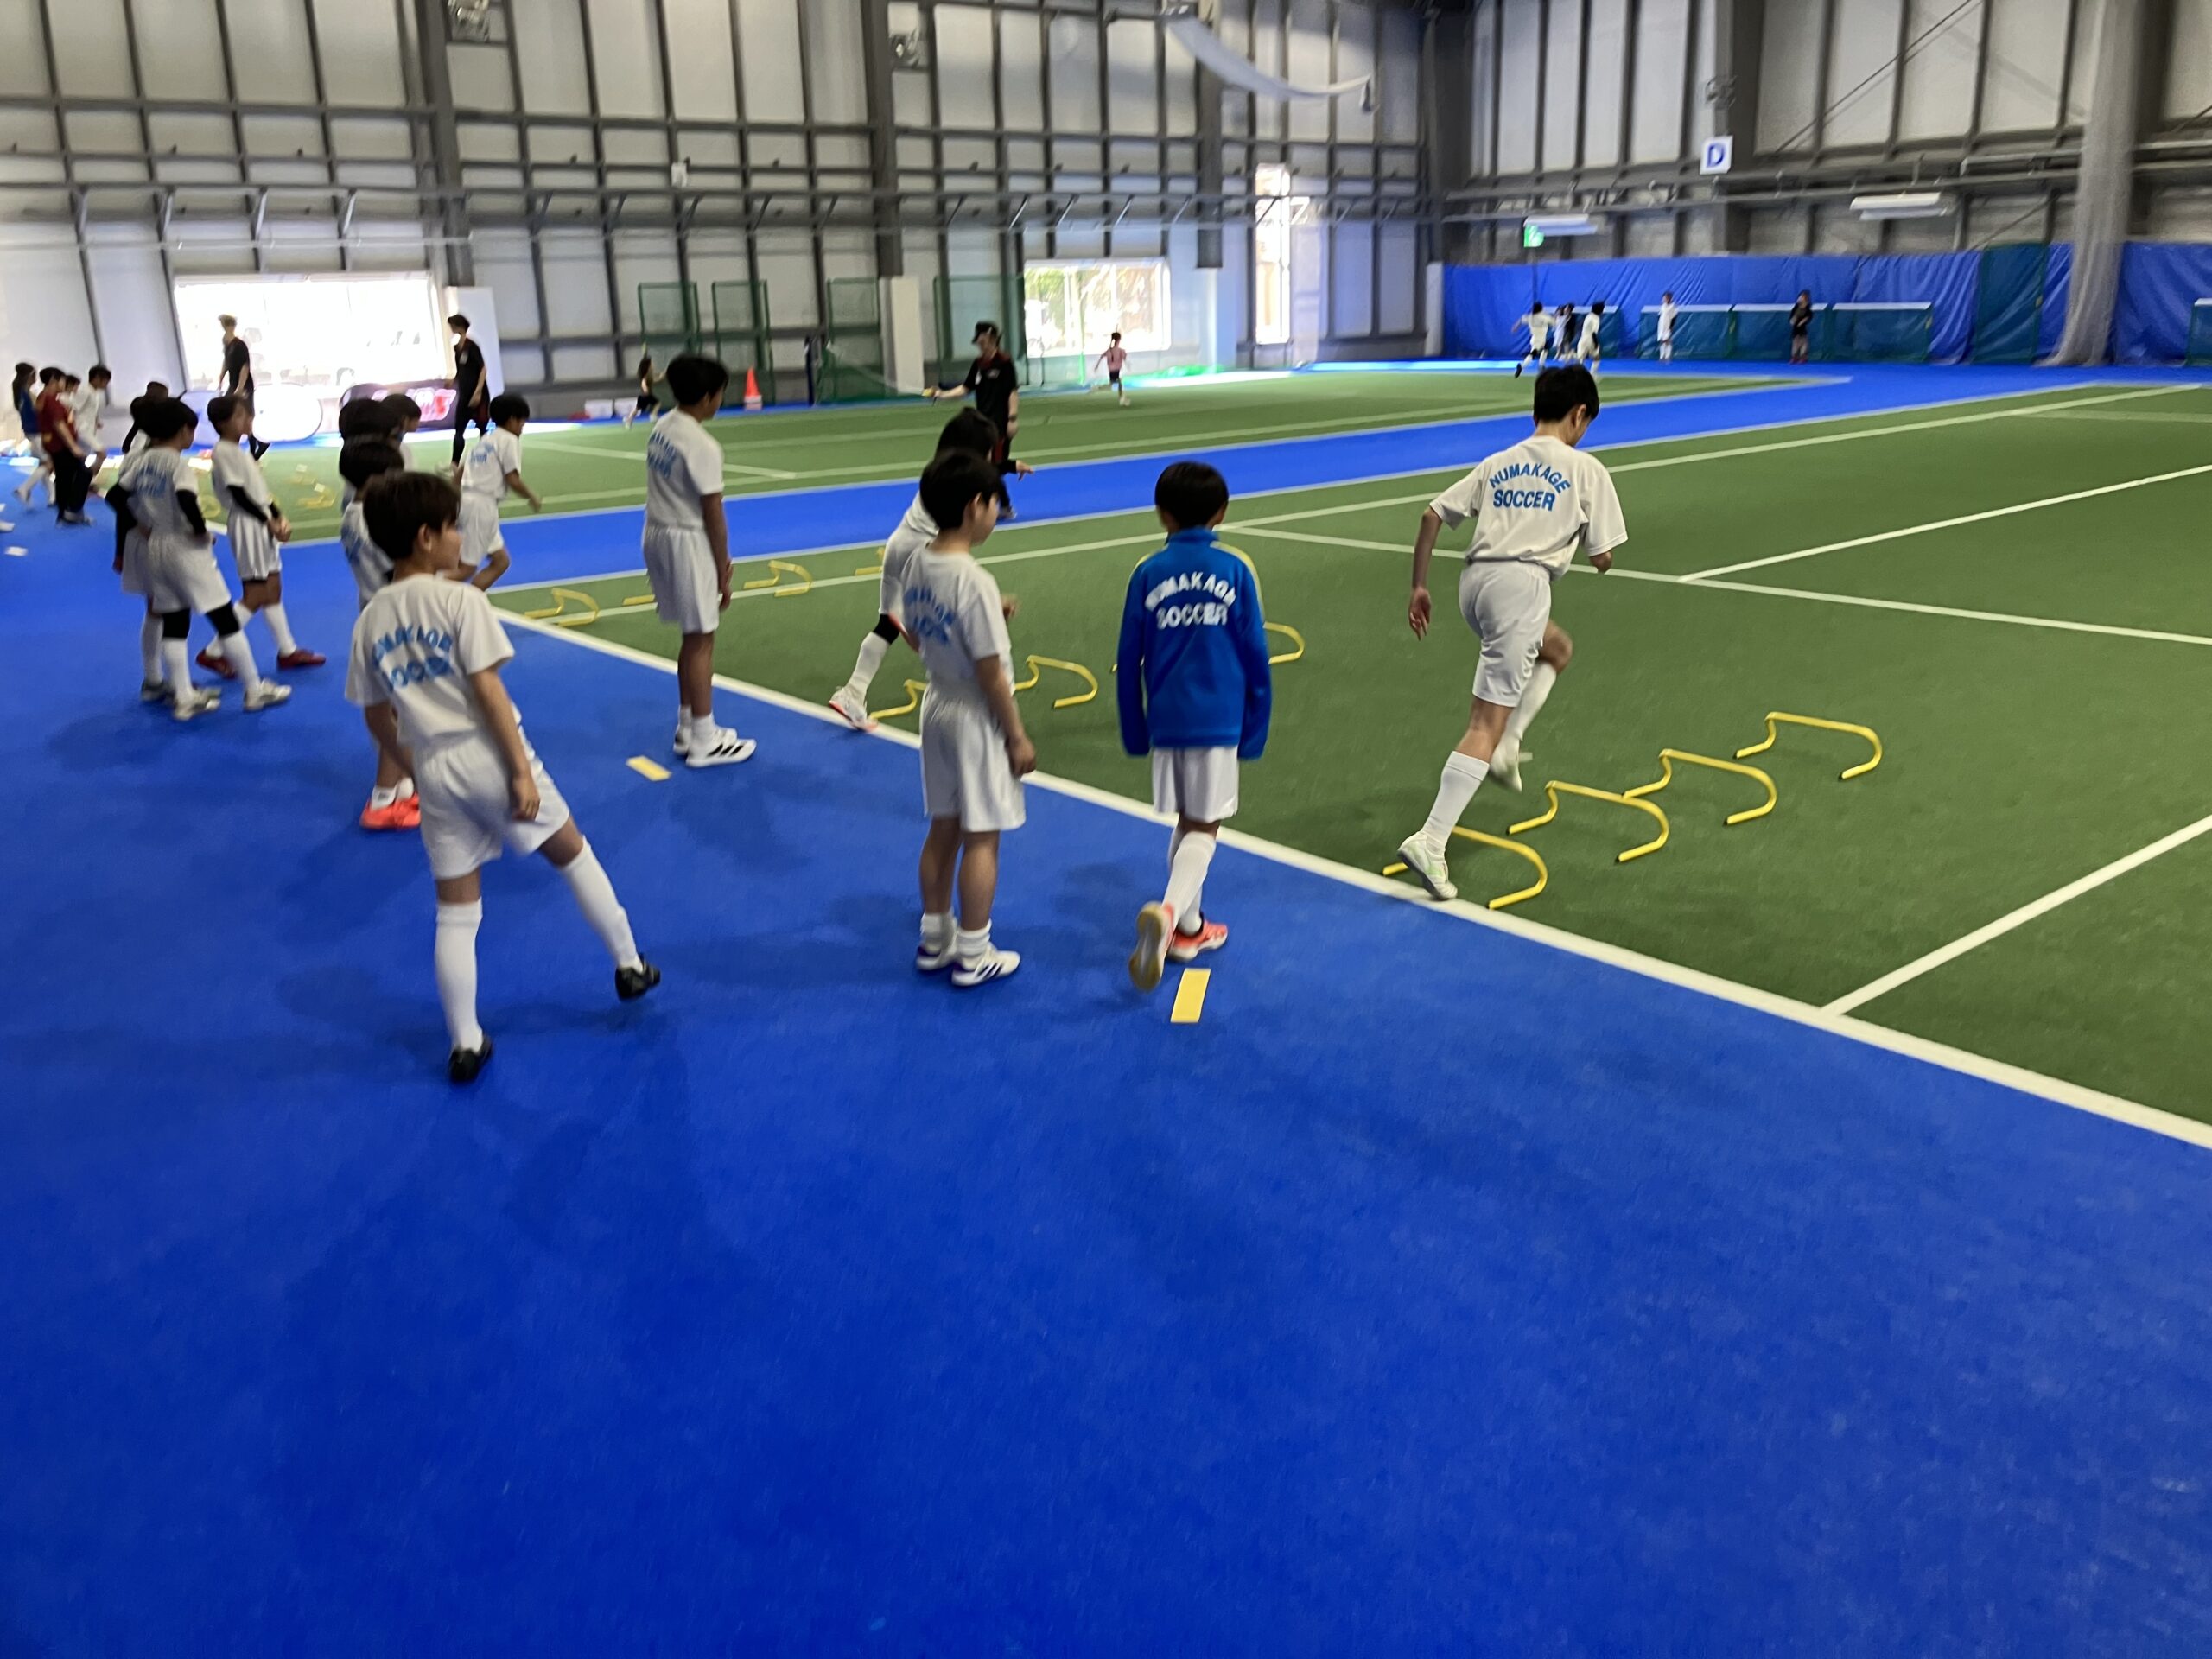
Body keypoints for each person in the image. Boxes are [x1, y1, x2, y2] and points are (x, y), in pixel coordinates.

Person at [347, 470, 660, 1084]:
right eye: (452, 527)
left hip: (434, 765)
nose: (461, 536)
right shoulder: (462, 601)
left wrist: (413, 767)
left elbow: (376, 716)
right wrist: (520, 772)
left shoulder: (370, 619)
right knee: (572, 853)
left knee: (456, 912)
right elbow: (488, 692)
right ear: (425, 537)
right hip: (489, 753)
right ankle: (629, 964)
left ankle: (465, 1041)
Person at [1394, 365, 1625, 901]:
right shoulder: (1587, 469)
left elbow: (1431, 516)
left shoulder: (1498, 462)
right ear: (1580, 415)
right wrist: (1588, 541)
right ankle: (1431, 839)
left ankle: (1508, 746)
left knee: (1557, 648)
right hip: (1521, 586)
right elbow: (1604, 558)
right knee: (1483, 723)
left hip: (1475, 585)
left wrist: (1419, 587)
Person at [1116, 461, 1272, 992]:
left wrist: (1134, 727)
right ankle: (1168, 914)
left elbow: (1128, 658)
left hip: (1166, 719)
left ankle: (1188, 929)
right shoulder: (1235, 570)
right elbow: (1256, 654)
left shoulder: (1147, 572)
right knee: (1205, 828)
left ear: (1162, 514)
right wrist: (1256, 726)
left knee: (1187, 821)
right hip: (1218, 720)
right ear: (1221, 513)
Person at [903, 452, 1033, 988]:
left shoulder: (918, 562)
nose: (997, 514)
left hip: (937, 705)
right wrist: (1016, 736)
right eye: (996, 504)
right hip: (976, 715)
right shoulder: (974, 579)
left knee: (944, 827)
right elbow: (990, 672)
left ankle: (935, 939)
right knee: (983, 836)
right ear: (976, 505)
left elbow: (917, 634)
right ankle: (975, 951)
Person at [827, 408, 1034, 733]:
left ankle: (854, 691)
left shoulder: (940, 472)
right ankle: (964, 681)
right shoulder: (961, 484)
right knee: (939, 621)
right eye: (987, 451)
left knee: (887, 623)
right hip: (920, 552)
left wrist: (1008, 465)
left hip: (898, 544)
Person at [116, 398, 291, 722]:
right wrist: (199, 531)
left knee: (174, 621)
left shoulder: (141, 461)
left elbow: (116, 496)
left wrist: (140, 525)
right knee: (224, 618)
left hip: (155, 546)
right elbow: (185, 499)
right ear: (183, 431)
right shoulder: (177, 465)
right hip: (184, 547)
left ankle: (184, 696)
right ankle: (254, 689)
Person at [641, 354, 752, 767]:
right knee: (702, 637)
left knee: (692, 636)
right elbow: (713, 512)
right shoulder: (703, 446)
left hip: (656, 532)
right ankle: (704, 739)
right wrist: (723, 566)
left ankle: (689, 726)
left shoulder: (662, 427)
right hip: (686, 541)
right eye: (721, 393)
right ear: (707, 397)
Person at [340, 435, 422, 830]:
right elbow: (397, 570)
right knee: (399, 708)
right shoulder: (372, 520)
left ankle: (401, 786)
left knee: (394, 706)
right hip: (392, 615)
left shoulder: (351, 514)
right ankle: (384, 797)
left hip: (372, 609)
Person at [207, 392, 321, 671]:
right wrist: (266, 519)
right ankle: (214, 651)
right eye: (240, 415)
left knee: (272, 588)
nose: (248, 419)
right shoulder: (224, 451)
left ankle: (287, 650)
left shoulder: (239, 451)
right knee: (256, 593)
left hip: (259, 521)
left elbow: (258, 492)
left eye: (248, 413)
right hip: (248, 524)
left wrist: (278, 515)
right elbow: (238, 494)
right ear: (222, 423)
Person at [928, 321, 1021, 511]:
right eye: (978, 339)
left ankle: (1003, 505)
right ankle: (999, 502)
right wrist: (941, 394)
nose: (979, 342)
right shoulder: (978, 364)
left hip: (999, 424)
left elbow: (1012, 392)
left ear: (992, 338)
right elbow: (965, 388)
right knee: (984, 465)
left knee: (993, 466)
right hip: (982, 424)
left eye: (983, 338)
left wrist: (1012, 419)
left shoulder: (1004, 362)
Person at [457, 392, 538, 589]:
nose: (522, 428)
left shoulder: (486, 439)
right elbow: (512, 478)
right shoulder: (509, 440)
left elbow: (459, 473)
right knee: (466, 569)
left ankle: (470, 600)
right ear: (512, 420)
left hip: (467, 501)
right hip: (481, 507)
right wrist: (532, 497)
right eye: (522, 423)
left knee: (501, 561)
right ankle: (426, 594)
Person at [40, 370, 92, 525]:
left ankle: (65, 513)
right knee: (82, 473)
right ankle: (71, 511)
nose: (64, 383)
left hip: (56, 445)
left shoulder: (48, 398)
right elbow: (59, 425)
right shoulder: (51, 400)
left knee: (64, 479)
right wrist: (74, 446)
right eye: (62, 380)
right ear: (53, 381)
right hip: (60, 446)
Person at [217, 314, 266, 460]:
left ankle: (254, 447)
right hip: (233, 383)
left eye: (225, 324)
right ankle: (256, 445)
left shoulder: (240, 345)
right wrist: (221, 376)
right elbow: (226, 361)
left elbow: (245, 367)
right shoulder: (227, 342)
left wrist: (240, 387)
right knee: (229, 413)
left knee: (243, 415)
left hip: (244, 385)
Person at [448, 313, 491, 467]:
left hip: (478, 395)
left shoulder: (472, 346)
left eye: (453, 325)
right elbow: (461, 370)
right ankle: (454, 464)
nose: (451, 328)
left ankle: (488, 460)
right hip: (464, 396)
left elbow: (482, 369)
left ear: (459, 326)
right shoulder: (457, 348)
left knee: (482, 429)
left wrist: (478, 392)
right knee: (459, 430)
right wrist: (453, 380)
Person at [16, 367, 61, 505]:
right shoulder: (30, 395)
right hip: (36, 432)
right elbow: (39, 414)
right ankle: (24, 488)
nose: (36, 379)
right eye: (33, 376)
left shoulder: (23, 393)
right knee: (48, 464)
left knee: (44, 464)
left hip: (32, 431)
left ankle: (52, 496)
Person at [73, 365, 111, 482]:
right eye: (105, 381)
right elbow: (73, 408)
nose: (106, 384)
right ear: (97, 378)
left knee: (80, 459)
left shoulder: (94, 393)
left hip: (88, 429)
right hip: (81, 430)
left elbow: (90, 410)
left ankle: (82, 481)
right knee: (101, 453)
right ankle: (89, 481)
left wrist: (96, 421)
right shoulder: (84, 391)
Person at [1095, 331, 1131, 406]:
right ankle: (1121, 398)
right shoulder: (1120, 351)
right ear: (1119, 340)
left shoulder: (1109, 350)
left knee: (1114, 384)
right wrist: (1128, 365)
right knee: (1117, 383)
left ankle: (1121, 398)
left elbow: (1101, 357)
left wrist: (1097, 366)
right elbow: (1125, 359)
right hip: (1116, 370)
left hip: (1111, 370)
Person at [1516, 303, 1550, 378]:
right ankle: (1522, 366)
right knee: (1533, 354)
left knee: (1545, 349)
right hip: (1540, 340)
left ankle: (1541, 365)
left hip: (1534, 339)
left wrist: (1516, 327)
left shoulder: (1530, 317)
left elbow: (1521, 320)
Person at [626, 352, 656, 429]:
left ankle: (629, 419)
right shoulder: (645, 376)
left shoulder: (649, 375)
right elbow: (643, 383)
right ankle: (652, 416)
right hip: (644, 396)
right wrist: (645, 389)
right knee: (656, 403)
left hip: (646, 396)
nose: (653, 365)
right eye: (651, 364)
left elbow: (654, 379)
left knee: (638, 409)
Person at [1579, 300, 1605, 372]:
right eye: (1602, 309)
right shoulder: (1595, 318)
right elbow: (1593, 333)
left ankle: (1578, 374)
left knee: (1581, 359)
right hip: (1590, 339)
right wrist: (1596, 343)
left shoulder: (1588, 316)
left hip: (1583, 338)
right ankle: (1592, 374)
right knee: (1597, 358)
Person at [1789, 289, 1815, 365]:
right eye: (1800, 297)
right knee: (1795, 342)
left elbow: (1809, 317)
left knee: (1803, 342)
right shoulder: (1796, 307)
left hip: (1802, 328)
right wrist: (1792, 320)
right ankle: (1794, 357)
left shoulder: (1808, 308)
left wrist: (1803, 321)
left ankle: (1803, 357)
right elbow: (1792, 317)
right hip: (1795, 328)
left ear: (1806, 299)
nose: (1801, 298)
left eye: (1803, 297)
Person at [1656, 291, 1677, 363]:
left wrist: (1671, 326)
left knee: (1668, 340)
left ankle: (1668, 356)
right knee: (1662, 340)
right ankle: (1662, 357)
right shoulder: (1663, 306)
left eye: (1665, 298)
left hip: (1668, 325)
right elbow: (1660, 315)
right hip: (1661, 325)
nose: (1664, 299)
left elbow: (1674, 317)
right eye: (1663, 298)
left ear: (1669, 298)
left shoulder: (1673, 306)